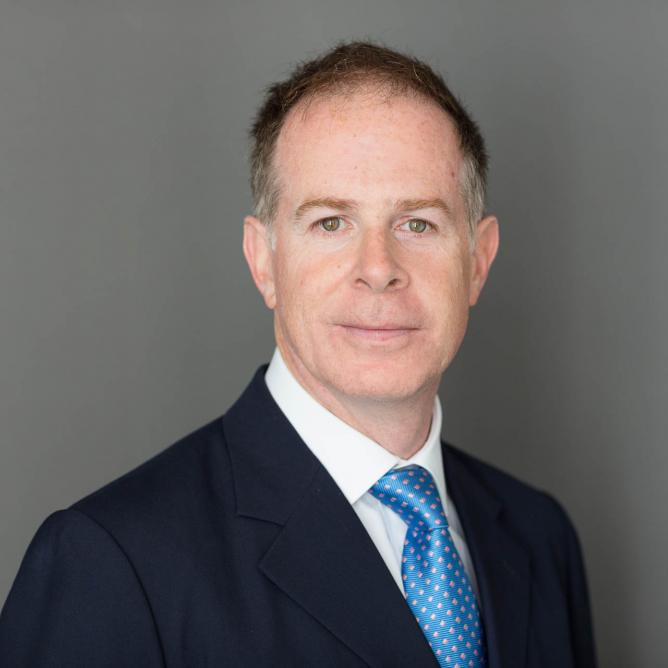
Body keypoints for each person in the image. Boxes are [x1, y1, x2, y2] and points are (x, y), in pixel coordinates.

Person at [0, 42, 597, 667]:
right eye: (331, 223)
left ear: (477, 260)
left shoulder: (539, 536)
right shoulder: (113, 563)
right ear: (264, 262)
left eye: (418, 223)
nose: (378, 269)